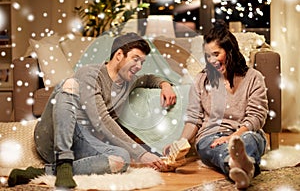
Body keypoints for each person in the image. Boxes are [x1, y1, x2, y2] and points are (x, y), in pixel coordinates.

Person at [8, 32, 176, 188]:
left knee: (121, 159)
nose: (139, 66)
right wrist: (140, 154)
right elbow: (101, 120)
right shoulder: (89, 74)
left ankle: (46, 172)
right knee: (68, 84)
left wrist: (165, 85)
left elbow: (149, 79)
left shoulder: (129, 81)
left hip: (83, 144)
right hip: (53, 138)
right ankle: (63, 159)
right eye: (135, 59)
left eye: (142, 62)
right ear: (119, 55)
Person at [163, 21, 268, 189]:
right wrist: (179, 143)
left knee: (249, 140)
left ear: (230, 51)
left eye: (216, 54)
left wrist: (234, 136)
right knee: (214, 148)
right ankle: (240, 167)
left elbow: (256, 116)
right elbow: (194, 119)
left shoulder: (254, 78)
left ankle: (238, 168)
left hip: (245, 132)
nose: (211, 60)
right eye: (207, 56)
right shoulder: (201, 80)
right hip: (210, 135)